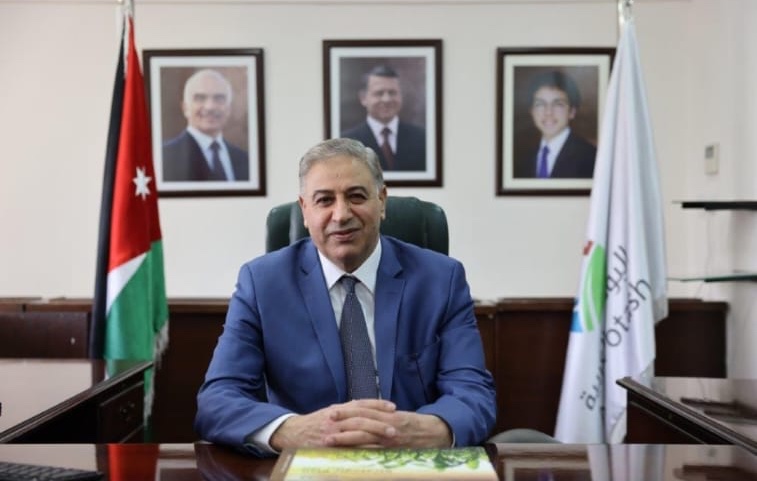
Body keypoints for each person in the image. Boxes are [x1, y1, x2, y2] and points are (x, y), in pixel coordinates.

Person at [195, 138, 496, 457]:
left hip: (410, 462)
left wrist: (422, 429)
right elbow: (218, 400)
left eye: (356, 196)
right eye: (325, 200)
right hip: (309, 465)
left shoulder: (441, 279)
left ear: (382, 201)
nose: (341, 214)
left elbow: (473, 394)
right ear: (305, 210)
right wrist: (294, 430)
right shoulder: (262, 283)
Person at [162, 69, 249, 182]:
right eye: (200, 98)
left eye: (219, 98)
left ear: (229, 108)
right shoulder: (165, 157)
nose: (210, 107)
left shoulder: (246, 160)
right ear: (185, 108)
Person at [341, 65, 426, 171]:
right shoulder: (347, 142)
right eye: (379, 93)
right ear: (363, 98)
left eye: (392, 93)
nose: (386, 99)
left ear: (401, 96)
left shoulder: (423, 138)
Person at [515, 70, 597, 179]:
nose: (548, 112)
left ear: (572, 112)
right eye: (540, 104)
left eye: (558, 104)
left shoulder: (590, 157)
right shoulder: (523, 158)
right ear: (532, 111)